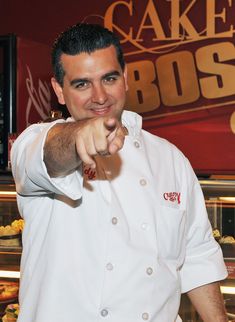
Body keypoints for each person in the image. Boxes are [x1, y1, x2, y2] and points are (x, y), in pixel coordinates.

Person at [11, 23, 228, 322]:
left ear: (125, 78)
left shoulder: (170, 158)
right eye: (82, 84)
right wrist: (78, 138)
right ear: (59, 91)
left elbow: (197, 256)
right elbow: (50, 154)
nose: (99, 97)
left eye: (109, 78)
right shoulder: (34, 143)